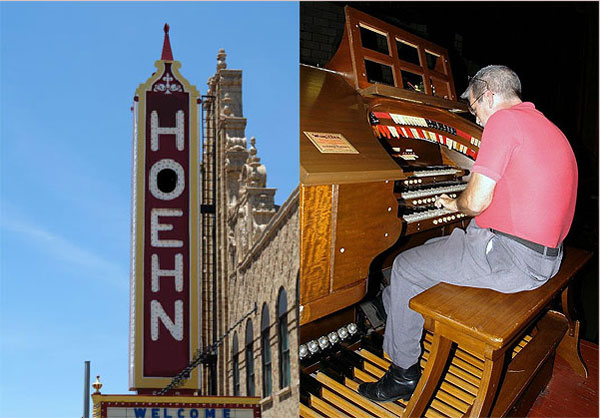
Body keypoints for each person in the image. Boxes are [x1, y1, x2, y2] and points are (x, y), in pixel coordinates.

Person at [357, 65, 578, 403]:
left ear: (489, 94)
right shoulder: (545, 126)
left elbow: (475, 201)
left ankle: (403, 372)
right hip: (544, 254)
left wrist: (456, 202)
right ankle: (393, 310)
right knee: (434, 246)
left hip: (512, 259)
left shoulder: (504, 121)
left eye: (475, 109)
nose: (476, 121)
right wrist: (458, 202)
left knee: (404, 265)